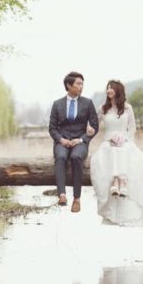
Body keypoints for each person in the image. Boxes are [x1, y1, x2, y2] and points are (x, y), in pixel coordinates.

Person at [89, 80, 143, 226]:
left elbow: (132, 128)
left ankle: (120, 183)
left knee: (124, 151)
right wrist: (90, 129)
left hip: (125, 141)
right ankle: (119, 183)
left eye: (111, 88)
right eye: (107, 88)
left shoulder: (128, 108)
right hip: (107, 142)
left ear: (118, 91)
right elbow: (93, 124)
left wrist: (125, 139)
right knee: (111, 150)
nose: (109, 90)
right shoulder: (103, 108)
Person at [49, 71, 99, 212]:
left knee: (76, 157)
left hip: (80, 141)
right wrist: (61, 140)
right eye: (78, 84)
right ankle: (62, 195)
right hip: (62, 140)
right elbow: (52, 128)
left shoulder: (88, 103)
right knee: (61, 157)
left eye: (82, 84)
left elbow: (95, 126)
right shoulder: (57, 104)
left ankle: (77, 198)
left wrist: (82, 139)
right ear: (68, 85)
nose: (81, 86)